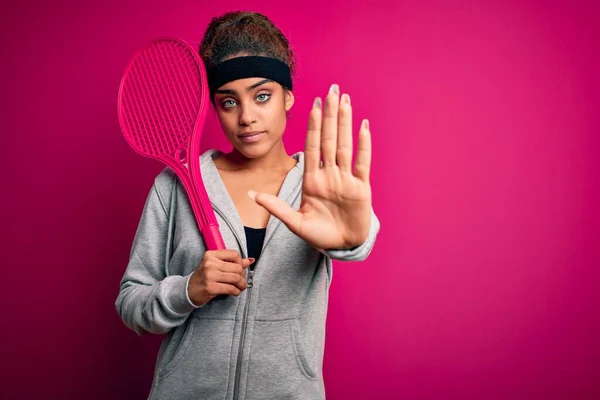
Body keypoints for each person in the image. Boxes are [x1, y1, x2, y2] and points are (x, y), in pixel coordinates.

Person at [115, 10, 380, 400]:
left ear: (287, 96)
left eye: (261, 96)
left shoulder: (318, 185)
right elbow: (130, 301)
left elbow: (360, 236)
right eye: (228, 102)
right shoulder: (173, 187)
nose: (247, 118)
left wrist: (354, 239)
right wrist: (188, 289)